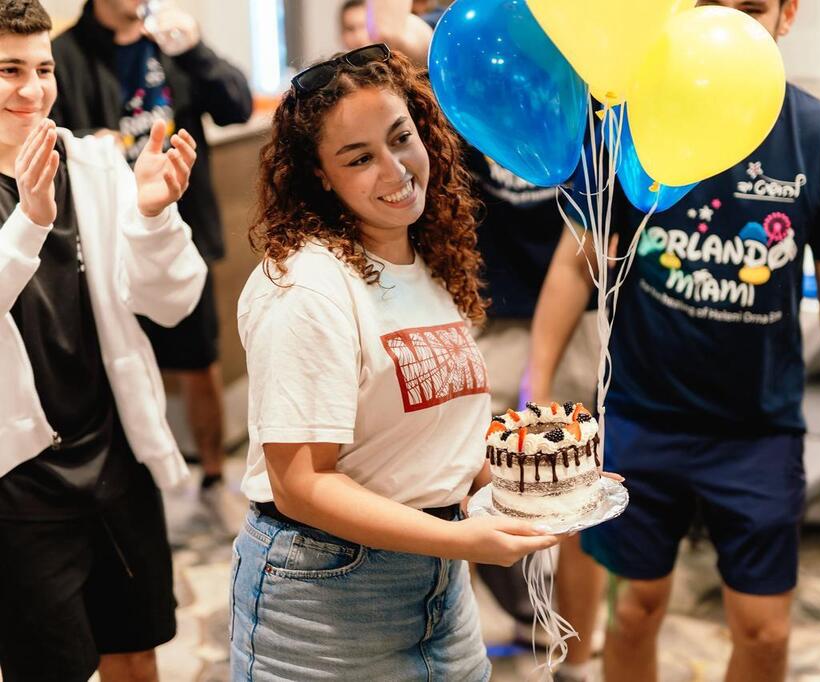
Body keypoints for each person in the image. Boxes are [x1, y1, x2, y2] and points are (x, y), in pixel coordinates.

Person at [531, 1, 820, 680]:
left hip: (758, 429)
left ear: (787, 15)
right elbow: (577, 261)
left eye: (750, 8)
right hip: (640, 414)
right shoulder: (628, 119)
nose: (729, 21)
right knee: (634, 610)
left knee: (764, 631)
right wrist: (537, 384)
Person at [229, 44, 559, 679]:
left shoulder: (429, 260)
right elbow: (302, 485)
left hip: (439, 583)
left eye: (400, 137)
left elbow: (429, 438)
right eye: (359, 158)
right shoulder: (307, 287)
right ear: (320, 175)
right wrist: (462, 540)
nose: (396, 169)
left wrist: (537, 486)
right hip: (326, 592)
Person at [0, 1, 205, 680]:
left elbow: (173, 303)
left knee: (136, 651)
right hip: (20, 483)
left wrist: (151, 215)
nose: (31, 89)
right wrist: (29, 222)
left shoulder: (92, 162)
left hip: (115, 456)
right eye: (8, 70)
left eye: (42, 68)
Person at [49, 0, 253, 529]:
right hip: (100, 243)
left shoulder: (170, 41)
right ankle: (138, 493)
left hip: (180, 236)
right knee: (117, 363)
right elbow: (43, 140)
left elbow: (236, 105)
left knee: (199, 363)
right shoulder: (63, 54)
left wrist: (197, 49)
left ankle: (212, 480)